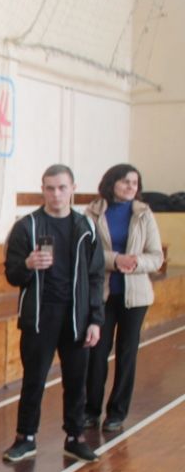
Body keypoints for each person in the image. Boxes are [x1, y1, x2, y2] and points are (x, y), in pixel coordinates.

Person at [3, 164, 104, 464]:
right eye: (50, 188)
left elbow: (96, 277)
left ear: (73, 189)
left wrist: (95, 319)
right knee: (33, 380)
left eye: (62, 187)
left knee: (76, 380)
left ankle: (75, 437)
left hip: (77, 317)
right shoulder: (27, 227)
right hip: (39, 317)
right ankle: (25, 437)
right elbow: (12, 275)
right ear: (42, 190)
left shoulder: (86, 227)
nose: (56, 194)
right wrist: (28, 265)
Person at [84, 164, 163, 433]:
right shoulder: (92, 212)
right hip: (102, 294)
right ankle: (90, 411)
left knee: (127, 354)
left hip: (136, 297)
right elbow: (87, 252)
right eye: (125, 181)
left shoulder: (144, 214)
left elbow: (156, 257)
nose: (131, 187)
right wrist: (115, 260)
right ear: (111, 183)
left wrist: (135, 262)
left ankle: (117, 413)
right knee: (96, 353)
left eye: (135, 183)